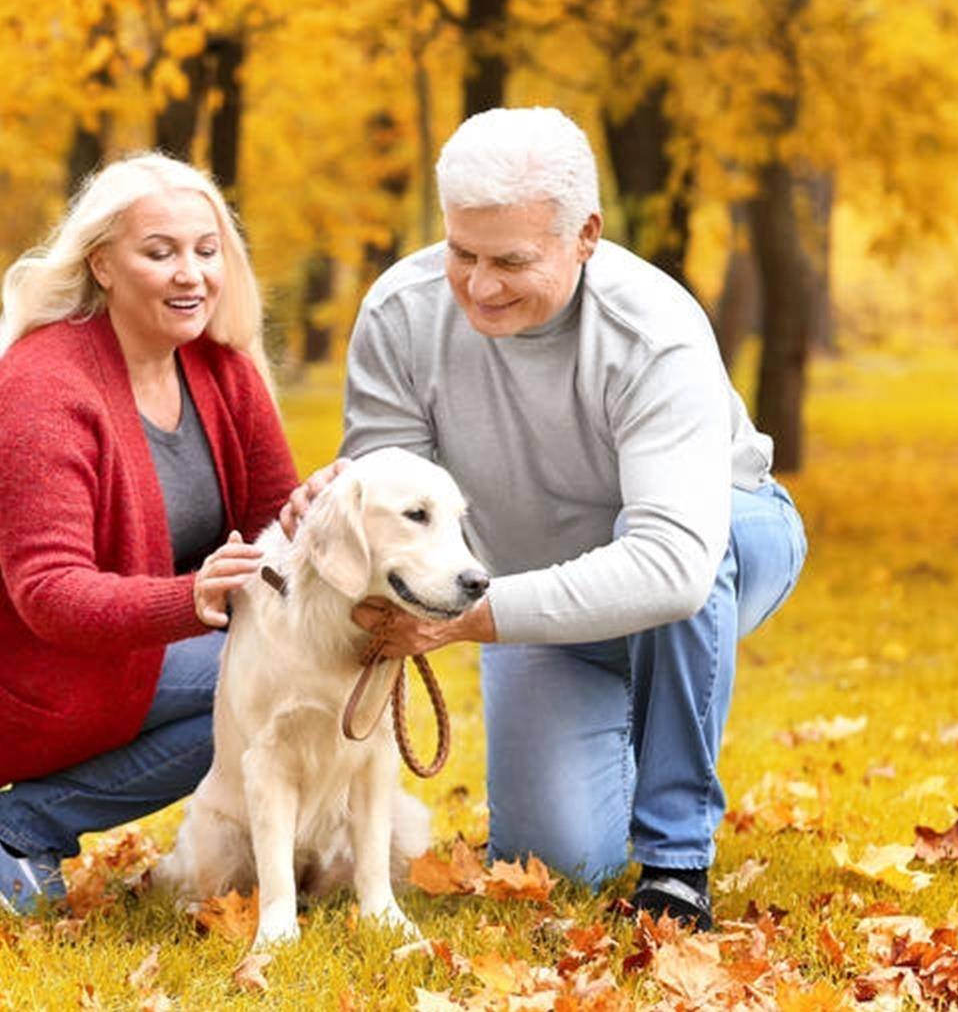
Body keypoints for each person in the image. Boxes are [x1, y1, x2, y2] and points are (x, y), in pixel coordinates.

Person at [308, 107, 808, 930]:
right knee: (557, 857)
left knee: (691, 561)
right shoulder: (401, 313)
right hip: (528, 586)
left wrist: (471, 616)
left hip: (722, 547)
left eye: (512, 260)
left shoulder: (653, 332)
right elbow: (393, 512)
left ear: (586, 235)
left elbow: (670, 564)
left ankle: (676, 861)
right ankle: (605, 723)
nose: (479, 284)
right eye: (462, 252)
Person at [0, 153, 294, 914]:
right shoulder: (41, 388)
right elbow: (49, 593)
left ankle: (301, 852)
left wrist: (320, 520)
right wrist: (195, 596)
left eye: (206, 251)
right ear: (103, 264)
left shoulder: (218, 368)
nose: (191, 274)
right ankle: (18, 827)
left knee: (293, 668)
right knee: (267, 680)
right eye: (160, 252)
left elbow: (275, 514)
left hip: (116, 645)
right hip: (12, 662)